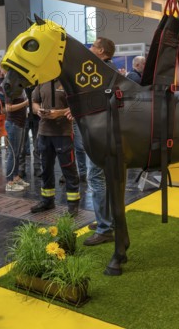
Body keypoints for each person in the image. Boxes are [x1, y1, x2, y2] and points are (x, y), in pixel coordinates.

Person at [82, 38, 116, 246]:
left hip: (100, 133)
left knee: (95, 177)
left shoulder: (101, 72)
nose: (90, 48)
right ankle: (107, 221)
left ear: (101, 50)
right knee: (105, 178)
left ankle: (104, 227)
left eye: (93, 46)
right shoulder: (109, 70)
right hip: (108, 133)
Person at [30, 80, 80, 216]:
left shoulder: (67, 80)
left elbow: (77, 105)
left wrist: (59, 113)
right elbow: (34, 102)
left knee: (69, 169)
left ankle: (73, 205)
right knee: (45, 169)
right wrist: (38, 110)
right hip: (44, 133)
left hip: (63, 133)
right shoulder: (42, 81)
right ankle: (47, 201)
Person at [2, 81, 30, 192]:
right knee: (12, 153)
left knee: (17, 153)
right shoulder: (10, 88)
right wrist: (26, 103)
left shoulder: (20, 87)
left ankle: (16, 177)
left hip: (20, 123)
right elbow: (8, 108)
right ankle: (9, 182)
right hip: (13, 124)